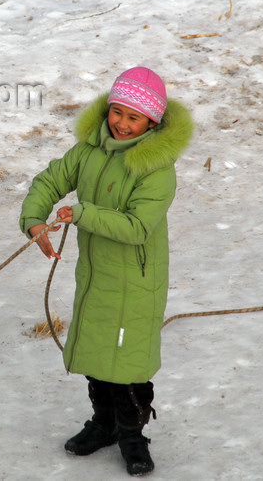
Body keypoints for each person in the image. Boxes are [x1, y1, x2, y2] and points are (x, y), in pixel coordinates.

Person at [19, 67, 193, 476]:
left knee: (128, 367)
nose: (121, 123)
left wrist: (81, 213)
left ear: (152, 122)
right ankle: (104, 424)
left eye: (133, 117)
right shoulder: (89, 150)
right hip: (96, 278)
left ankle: (132, 434)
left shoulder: (156, 169)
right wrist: (34, 218)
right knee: (99, 357)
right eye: (117, 112)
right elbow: (50, 179)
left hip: (136, 283)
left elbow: (135, 227)